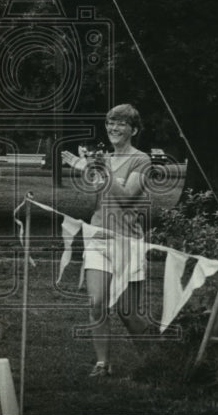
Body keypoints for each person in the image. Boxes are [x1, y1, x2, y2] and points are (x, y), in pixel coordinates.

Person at [61, 103, 153, 377]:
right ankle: (102, 364)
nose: (114, 128)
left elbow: (125, 199)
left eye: (121, 124)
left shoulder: (142, 160)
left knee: (127, 312)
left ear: (133, 129)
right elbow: (99, 199)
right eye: (111, 123)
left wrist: (103, 170)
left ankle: (156, 359)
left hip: (127, 241)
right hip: (98, 237)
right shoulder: (105, 159)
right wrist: (87, 169)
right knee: (96, 302)